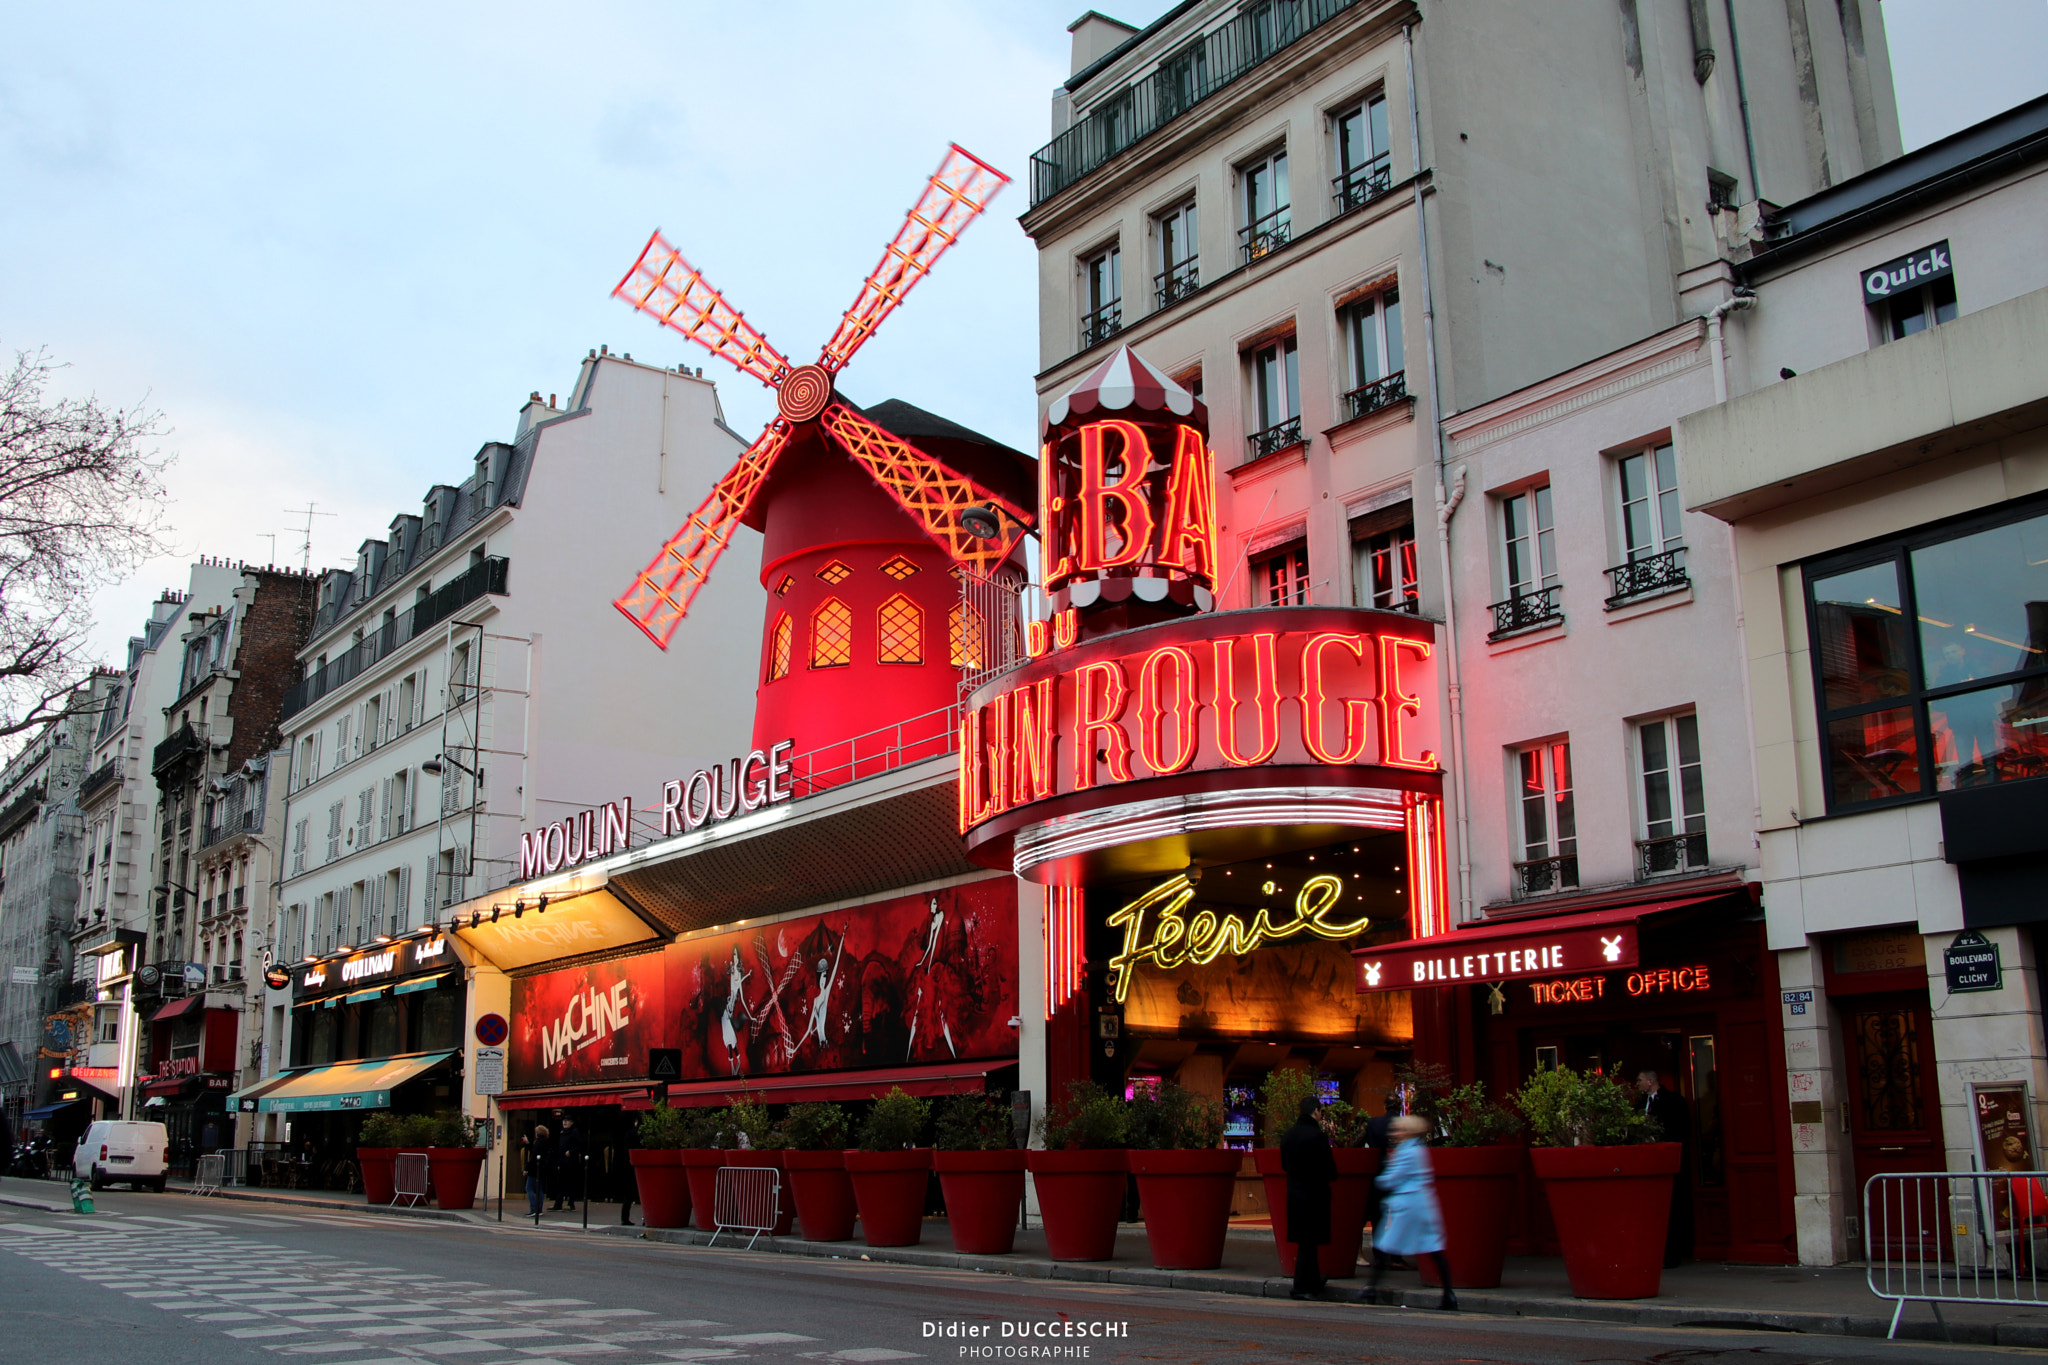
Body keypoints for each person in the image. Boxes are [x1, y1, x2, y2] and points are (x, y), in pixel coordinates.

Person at [1368, 1115, 1456, 1311]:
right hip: (1422, 1204)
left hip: (1408, 1207)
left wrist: (1378, 1180)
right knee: (1433, 1248)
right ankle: (1448, 1293)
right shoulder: (1417, 1150)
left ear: (1408, 1132)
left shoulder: (1406, 1152)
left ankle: (1371, 1288)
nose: (1394, 1133)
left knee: (1385, 1246)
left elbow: (1393, 1178)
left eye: (1398, 1130)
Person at [1280, 1096, 1339, 1300]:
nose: (1322, 1115)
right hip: (1315, 1195)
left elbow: (1284, 1165)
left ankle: (1311, 1281)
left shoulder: (1288, 1135)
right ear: (1315, 1111)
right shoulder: (1318, 1137)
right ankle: (1302, 1286)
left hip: (1295, 1194)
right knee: (1309, 1243)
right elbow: (1330, 1170)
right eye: (1321, 1112)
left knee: (1306, 1242)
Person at [1637, 1069, 1694, 1268]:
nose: (1638, 1084)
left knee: (1671, 1209)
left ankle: (1672, 1255)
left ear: (1651, 1081)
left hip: (1667, 1162)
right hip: (1646, 1164)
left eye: (1640, 1080)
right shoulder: (1639, 1103)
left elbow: (1682, 1129)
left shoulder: (1673, 1101)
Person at [555, 1114, 586, 1211]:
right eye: (564, 1120)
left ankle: (570, 1203)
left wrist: (571, 1152)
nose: (565, 1122)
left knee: (570, 1183)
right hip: (562, 1161)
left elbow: (581, 1145)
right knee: (560, 1183)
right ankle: (558, 1204)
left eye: (567, 1121)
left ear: (572, 1123)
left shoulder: (574, 1132)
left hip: (571, 1162)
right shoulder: (562, 1132)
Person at [523, 1124, 552, 1225]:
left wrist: (526, 1169)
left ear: (537, 1133)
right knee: (539, 1189)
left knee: (529, 1188)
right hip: (542, 1169)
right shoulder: (546, 1142)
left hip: (534, 1169)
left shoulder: (538, 1143)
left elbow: (532, 1157)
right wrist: (529, 1144)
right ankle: (539, 1209)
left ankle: (533, 1209)